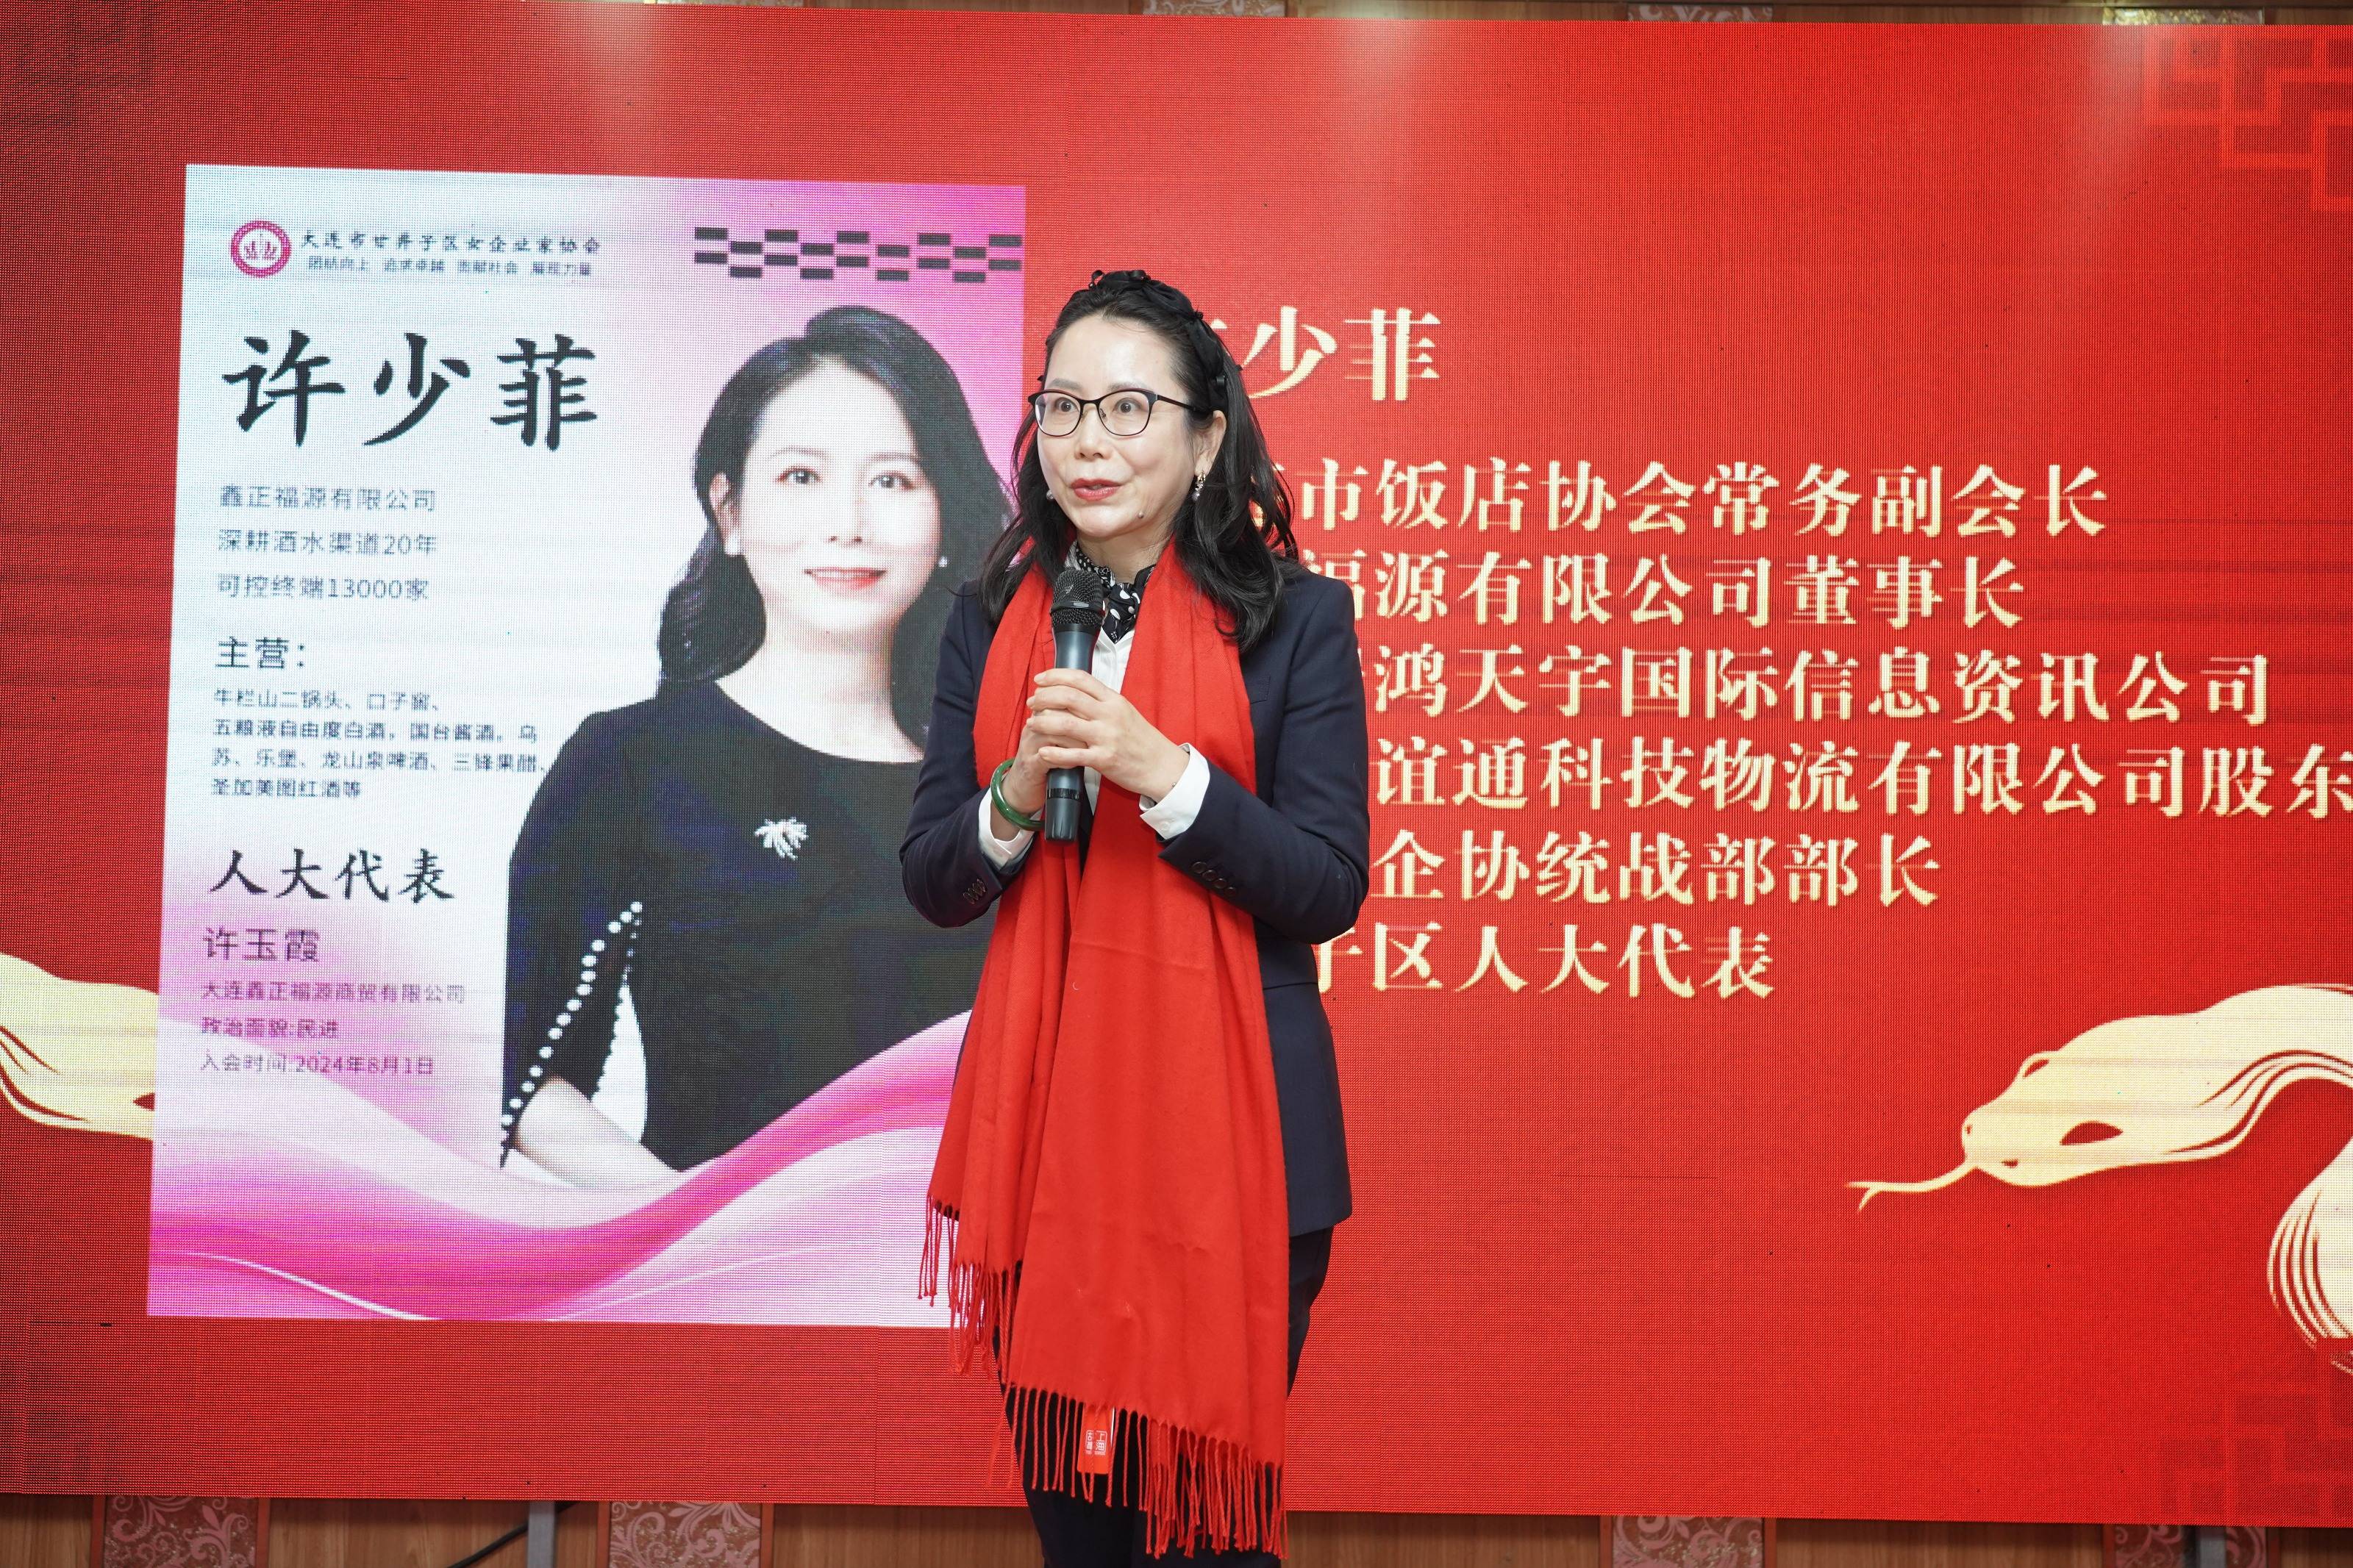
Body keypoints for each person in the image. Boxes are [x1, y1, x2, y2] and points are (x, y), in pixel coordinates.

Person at [901, 270, 1369, 1564]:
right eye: (1061, 407)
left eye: (1127, 408)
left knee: (1205, 1537)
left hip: (1241, 1143)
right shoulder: (991, 617)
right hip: (1043, 1132)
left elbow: (1328, 884)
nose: (1088, 442)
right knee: (1086, 1537)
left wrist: (1164, 774)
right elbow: (935, 877)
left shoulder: (1296, 622)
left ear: (1207, 437)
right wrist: (1015, 790)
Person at [501, 306, 1003, 1187]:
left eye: (893, 479)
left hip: (963, 1258)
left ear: (943, 519)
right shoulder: (631, 762)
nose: (848, 521)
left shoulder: (1002, 784)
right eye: (801, 475)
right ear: (729, 511)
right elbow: (535, 1090)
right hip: (724, 1262)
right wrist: (712, 1234)